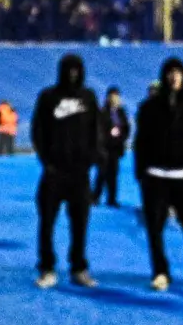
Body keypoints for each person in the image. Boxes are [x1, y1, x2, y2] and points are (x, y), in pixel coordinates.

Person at [135, 58, 183, 292]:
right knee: (155, 230)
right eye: (170, 72)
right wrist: (142, 173)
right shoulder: (149, 107)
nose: (174, 77)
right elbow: (141, 142)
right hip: (156, 176)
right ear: (164, 75)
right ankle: (160, 272)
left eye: (178, 72)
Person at [33, 54, 99, 289]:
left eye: (76, 69)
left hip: (80, 173)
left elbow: (96, 130)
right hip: (53, 172)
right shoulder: (48, 97)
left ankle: (79, 268)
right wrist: (47, 161)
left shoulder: (89, 97)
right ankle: (47, 267)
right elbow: (38, 131)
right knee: (47, 222)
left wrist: (90, 160)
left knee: (80, 223)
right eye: (68, 69)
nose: (72, 74)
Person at [94, 86, 130, 207]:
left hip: (116, 148)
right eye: (111, 96)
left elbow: (126, 128)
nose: (114, 98)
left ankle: (112, 199)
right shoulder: (103, 111)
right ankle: (95, 197)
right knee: (101, 174)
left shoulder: (121, 112)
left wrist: (120, 137)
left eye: (116, 96)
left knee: (113, 175)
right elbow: (99, 129)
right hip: (104, 148)